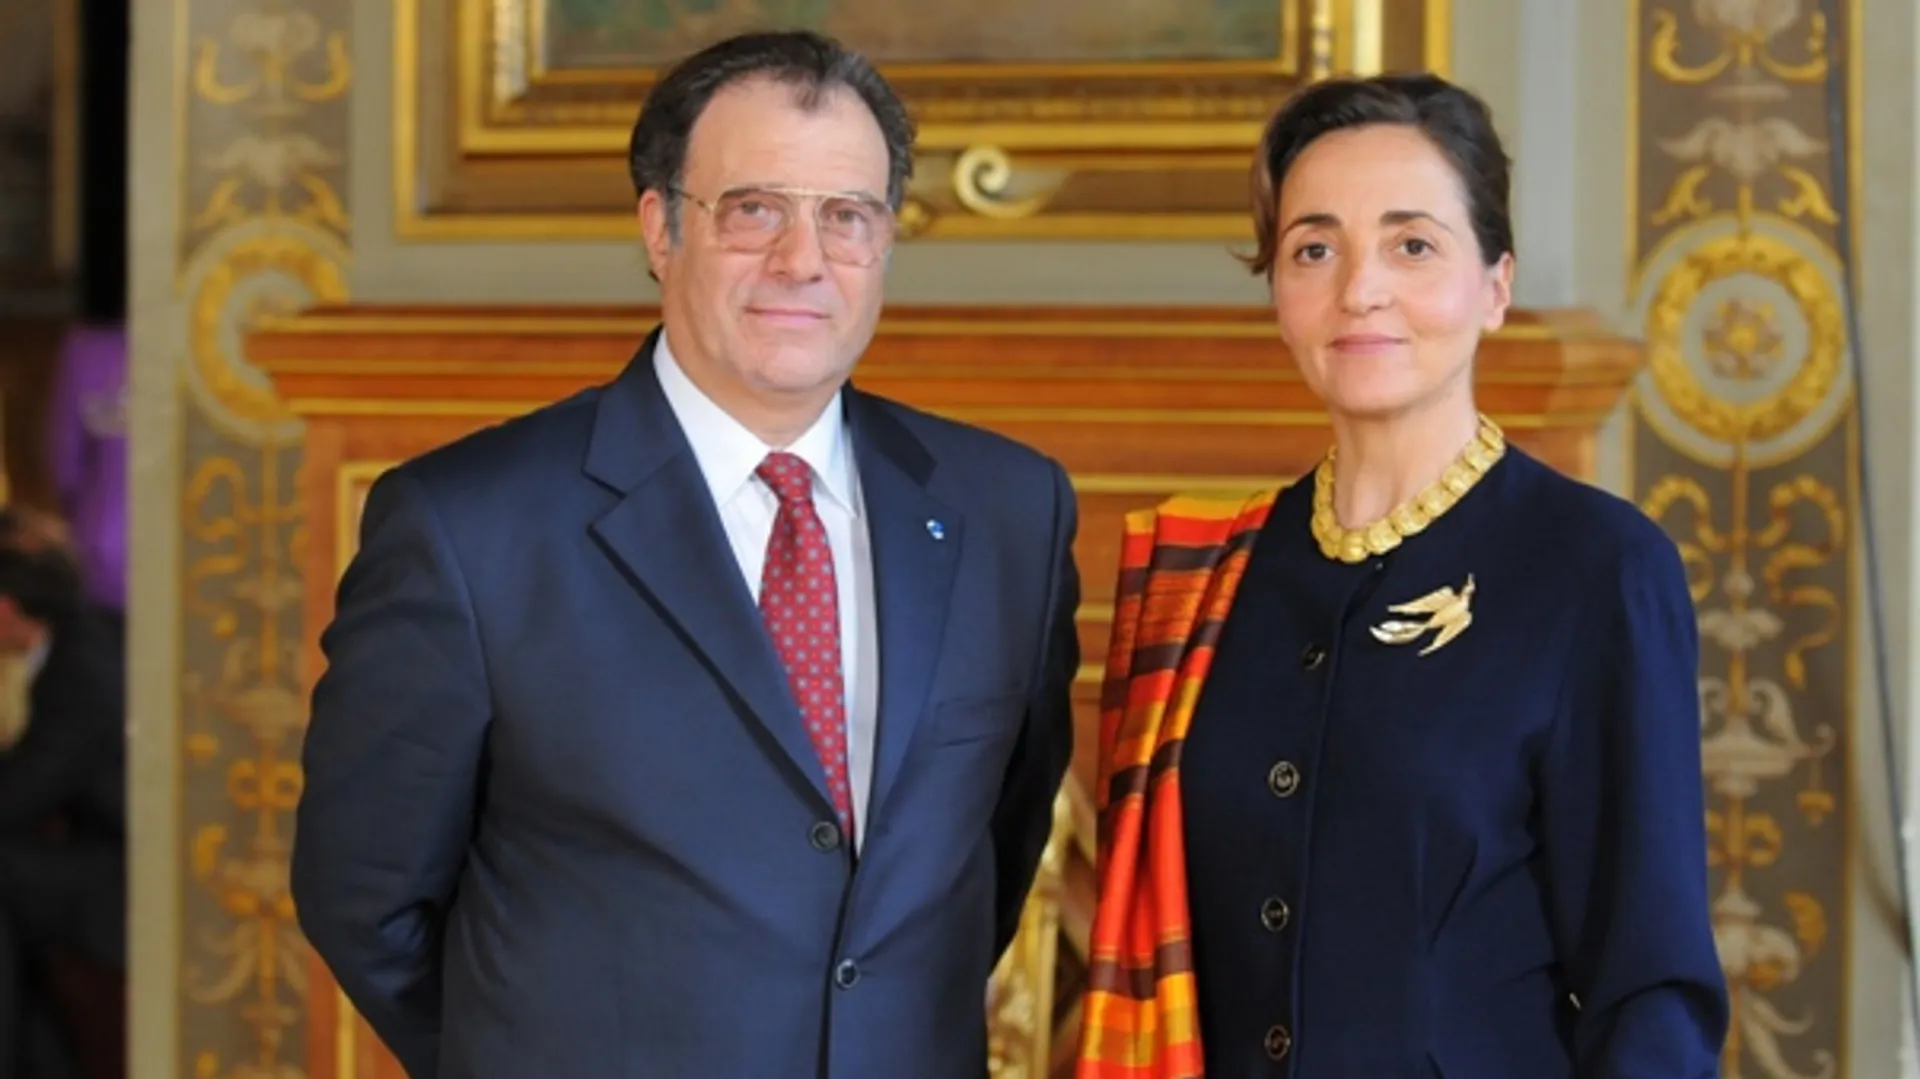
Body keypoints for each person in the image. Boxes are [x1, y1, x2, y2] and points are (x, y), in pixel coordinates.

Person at [291, 30, 1080, 1079]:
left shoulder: (1010, 510)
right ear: (660, 227)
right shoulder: (467, 526)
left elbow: (997, 845)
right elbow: (364, 891)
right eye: (754, 209)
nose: (803, 260)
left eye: (846, 216)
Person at [1076, 74, 1727, 1078]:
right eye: (1315, 249)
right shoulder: (1206, 577)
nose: (1359, 289)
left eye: (1412, 245)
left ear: (1495, 286)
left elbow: (1650, 987)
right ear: (1279, 292)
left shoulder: (1597, 567)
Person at [0, 509, 125, 1078]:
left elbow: (20, 795)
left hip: (123, 881)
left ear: (6, 608)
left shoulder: (81, 673)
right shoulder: (85, 635)